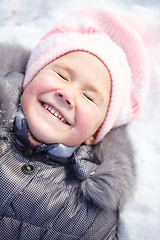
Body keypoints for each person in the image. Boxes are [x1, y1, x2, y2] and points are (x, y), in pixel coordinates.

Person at [0, 8, 149, 240]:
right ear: (31, 77)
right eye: (61, 75)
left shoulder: (91, 211)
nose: (67, 94)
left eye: (89, 97)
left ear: (95, 133)